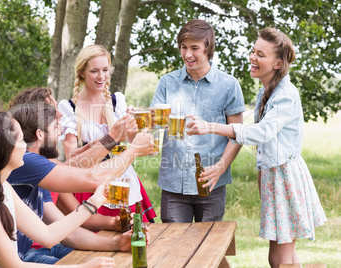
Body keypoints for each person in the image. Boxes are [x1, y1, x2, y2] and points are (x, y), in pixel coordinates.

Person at [186, 28, 327, 268]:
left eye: (260, 54)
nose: (252, 57)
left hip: (285, 177)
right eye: (253, 51)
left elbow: (261, 133)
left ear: (277, 63)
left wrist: (211, 127)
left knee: (280, 258)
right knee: (284, 257)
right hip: (275, 176)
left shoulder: (285, 95)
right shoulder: (267, 91)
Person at [0, 112, 116, 267]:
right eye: (22, 140)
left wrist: (94, 202)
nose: (26, 146)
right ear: (5, 148)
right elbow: (13, 265)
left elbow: (47, 235)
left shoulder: (2, 186)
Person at [7, 99, 153, 264]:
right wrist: (134, 150)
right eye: (56, 127)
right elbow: (94, 178)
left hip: (35, 250)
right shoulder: (27, 162)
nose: (60, 131)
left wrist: (116, 243)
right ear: (40, 134)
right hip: (21, 259)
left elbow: (67, 233)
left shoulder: (39, 169)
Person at [149, 19, 246, 223]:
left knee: (209, 250)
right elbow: (154, 124)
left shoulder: (229, 85)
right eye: (184, 47)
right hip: (173, 184)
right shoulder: (167, 82)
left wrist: (221, 167)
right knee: (174, 248)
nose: (188, 54)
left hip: (211, 184)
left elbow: (237, 134)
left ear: (208, 48)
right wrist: (145, 117)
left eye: (195, 48)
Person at [58, 44, 157, 222]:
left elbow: (134, 141)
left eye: (105, 69)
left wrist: (137, 123)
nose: (101, 76)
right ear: (81, 72)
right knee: (98, 241)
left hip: (123, 180)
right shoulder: (69, 108)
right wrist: (113, 135)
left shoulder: (117, 101)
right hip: (90, 185)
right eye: (94, 71)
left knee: (133, 237)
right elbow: (72, 161)